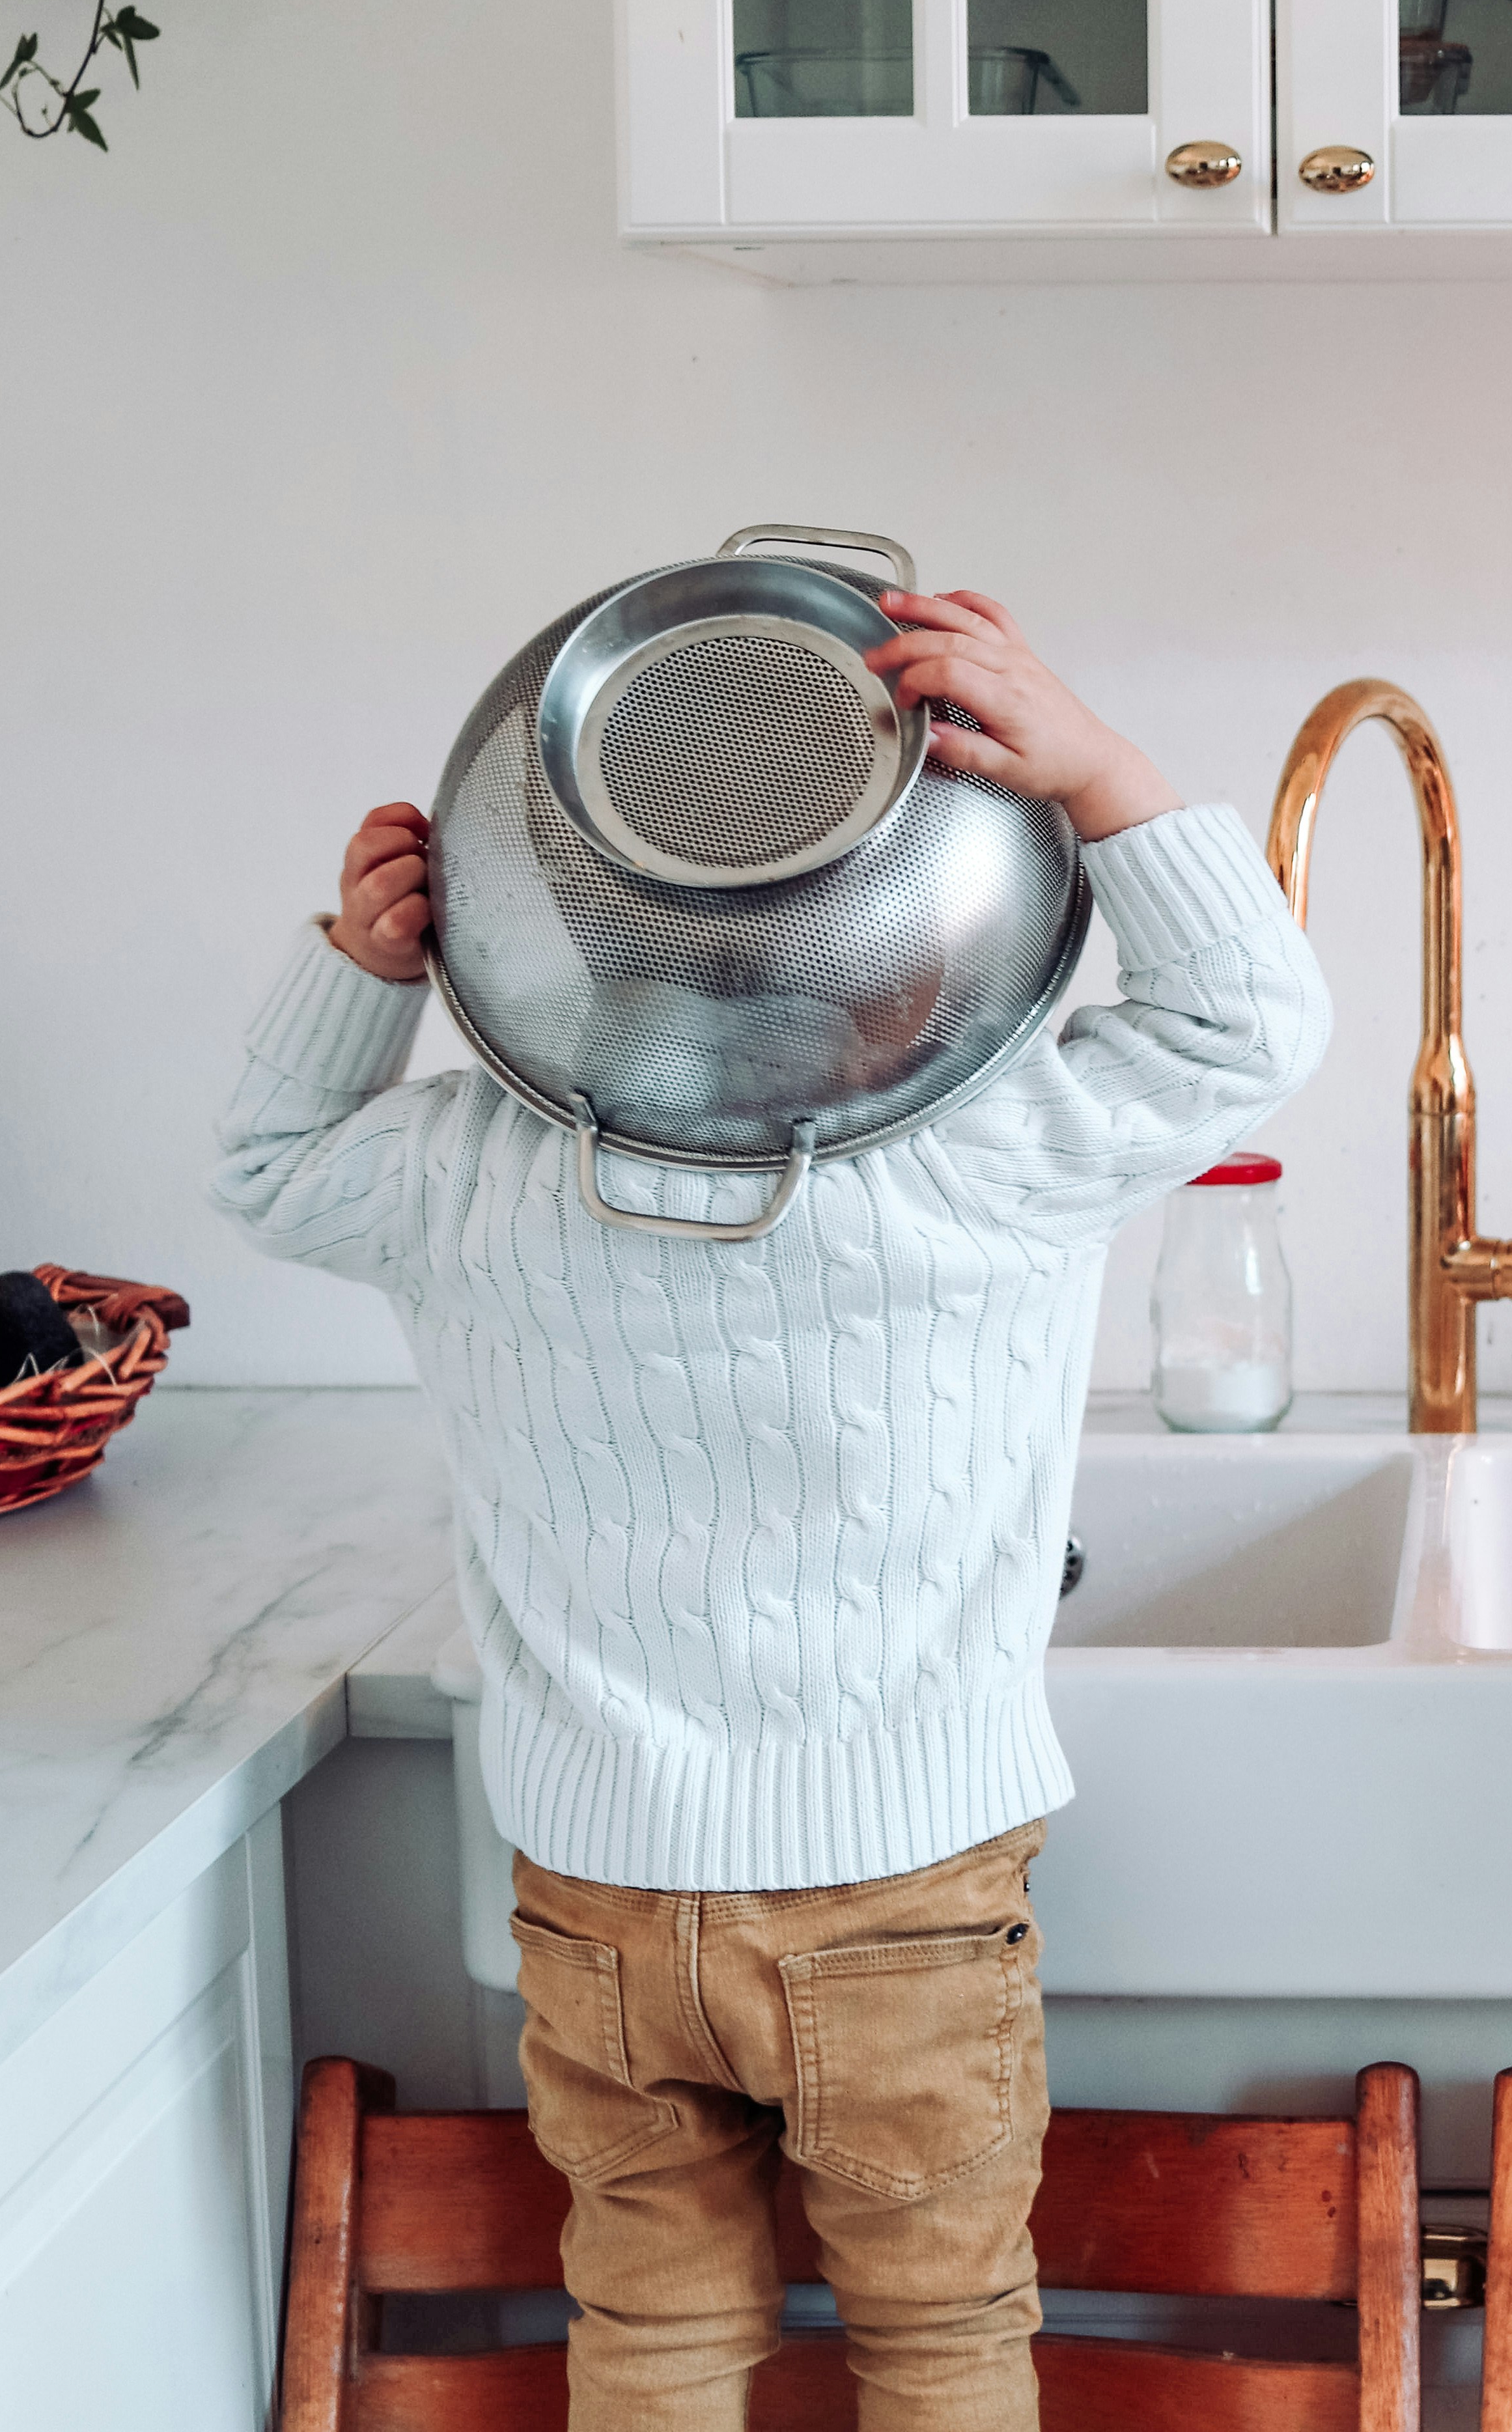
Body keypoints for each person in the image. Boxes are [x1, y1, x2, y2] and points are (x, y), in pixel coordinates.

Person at [214, 589, 1329, 2432]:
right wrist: (1115, 777)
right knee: (945, 2335)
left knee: (652, 2333)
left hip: (598, 1900)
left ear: (541, 913)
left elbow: (259, 1163)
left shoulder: (461, 1171)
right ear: (924, 920)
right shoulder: (1003, 1148)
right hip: (906, 1891)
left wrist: (359, 968)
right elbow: (1250, 1023)